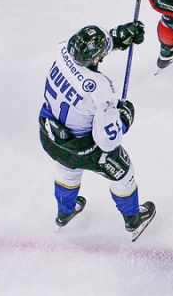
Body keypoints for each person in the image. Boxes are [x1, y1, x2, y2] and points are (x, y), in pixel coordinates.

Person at [39, 22, 156, 237]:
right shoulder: (99, 88)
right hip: (82, 149)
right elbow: (108, 141)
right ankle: (133, 220)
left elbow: (87, 56)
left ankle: (64, 212)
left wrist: (117, 38)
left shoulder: (64, 51)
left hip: (50, 135)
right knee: (123, 174)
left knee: (67, 170)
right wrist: (124, 118)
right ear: (94, 59)